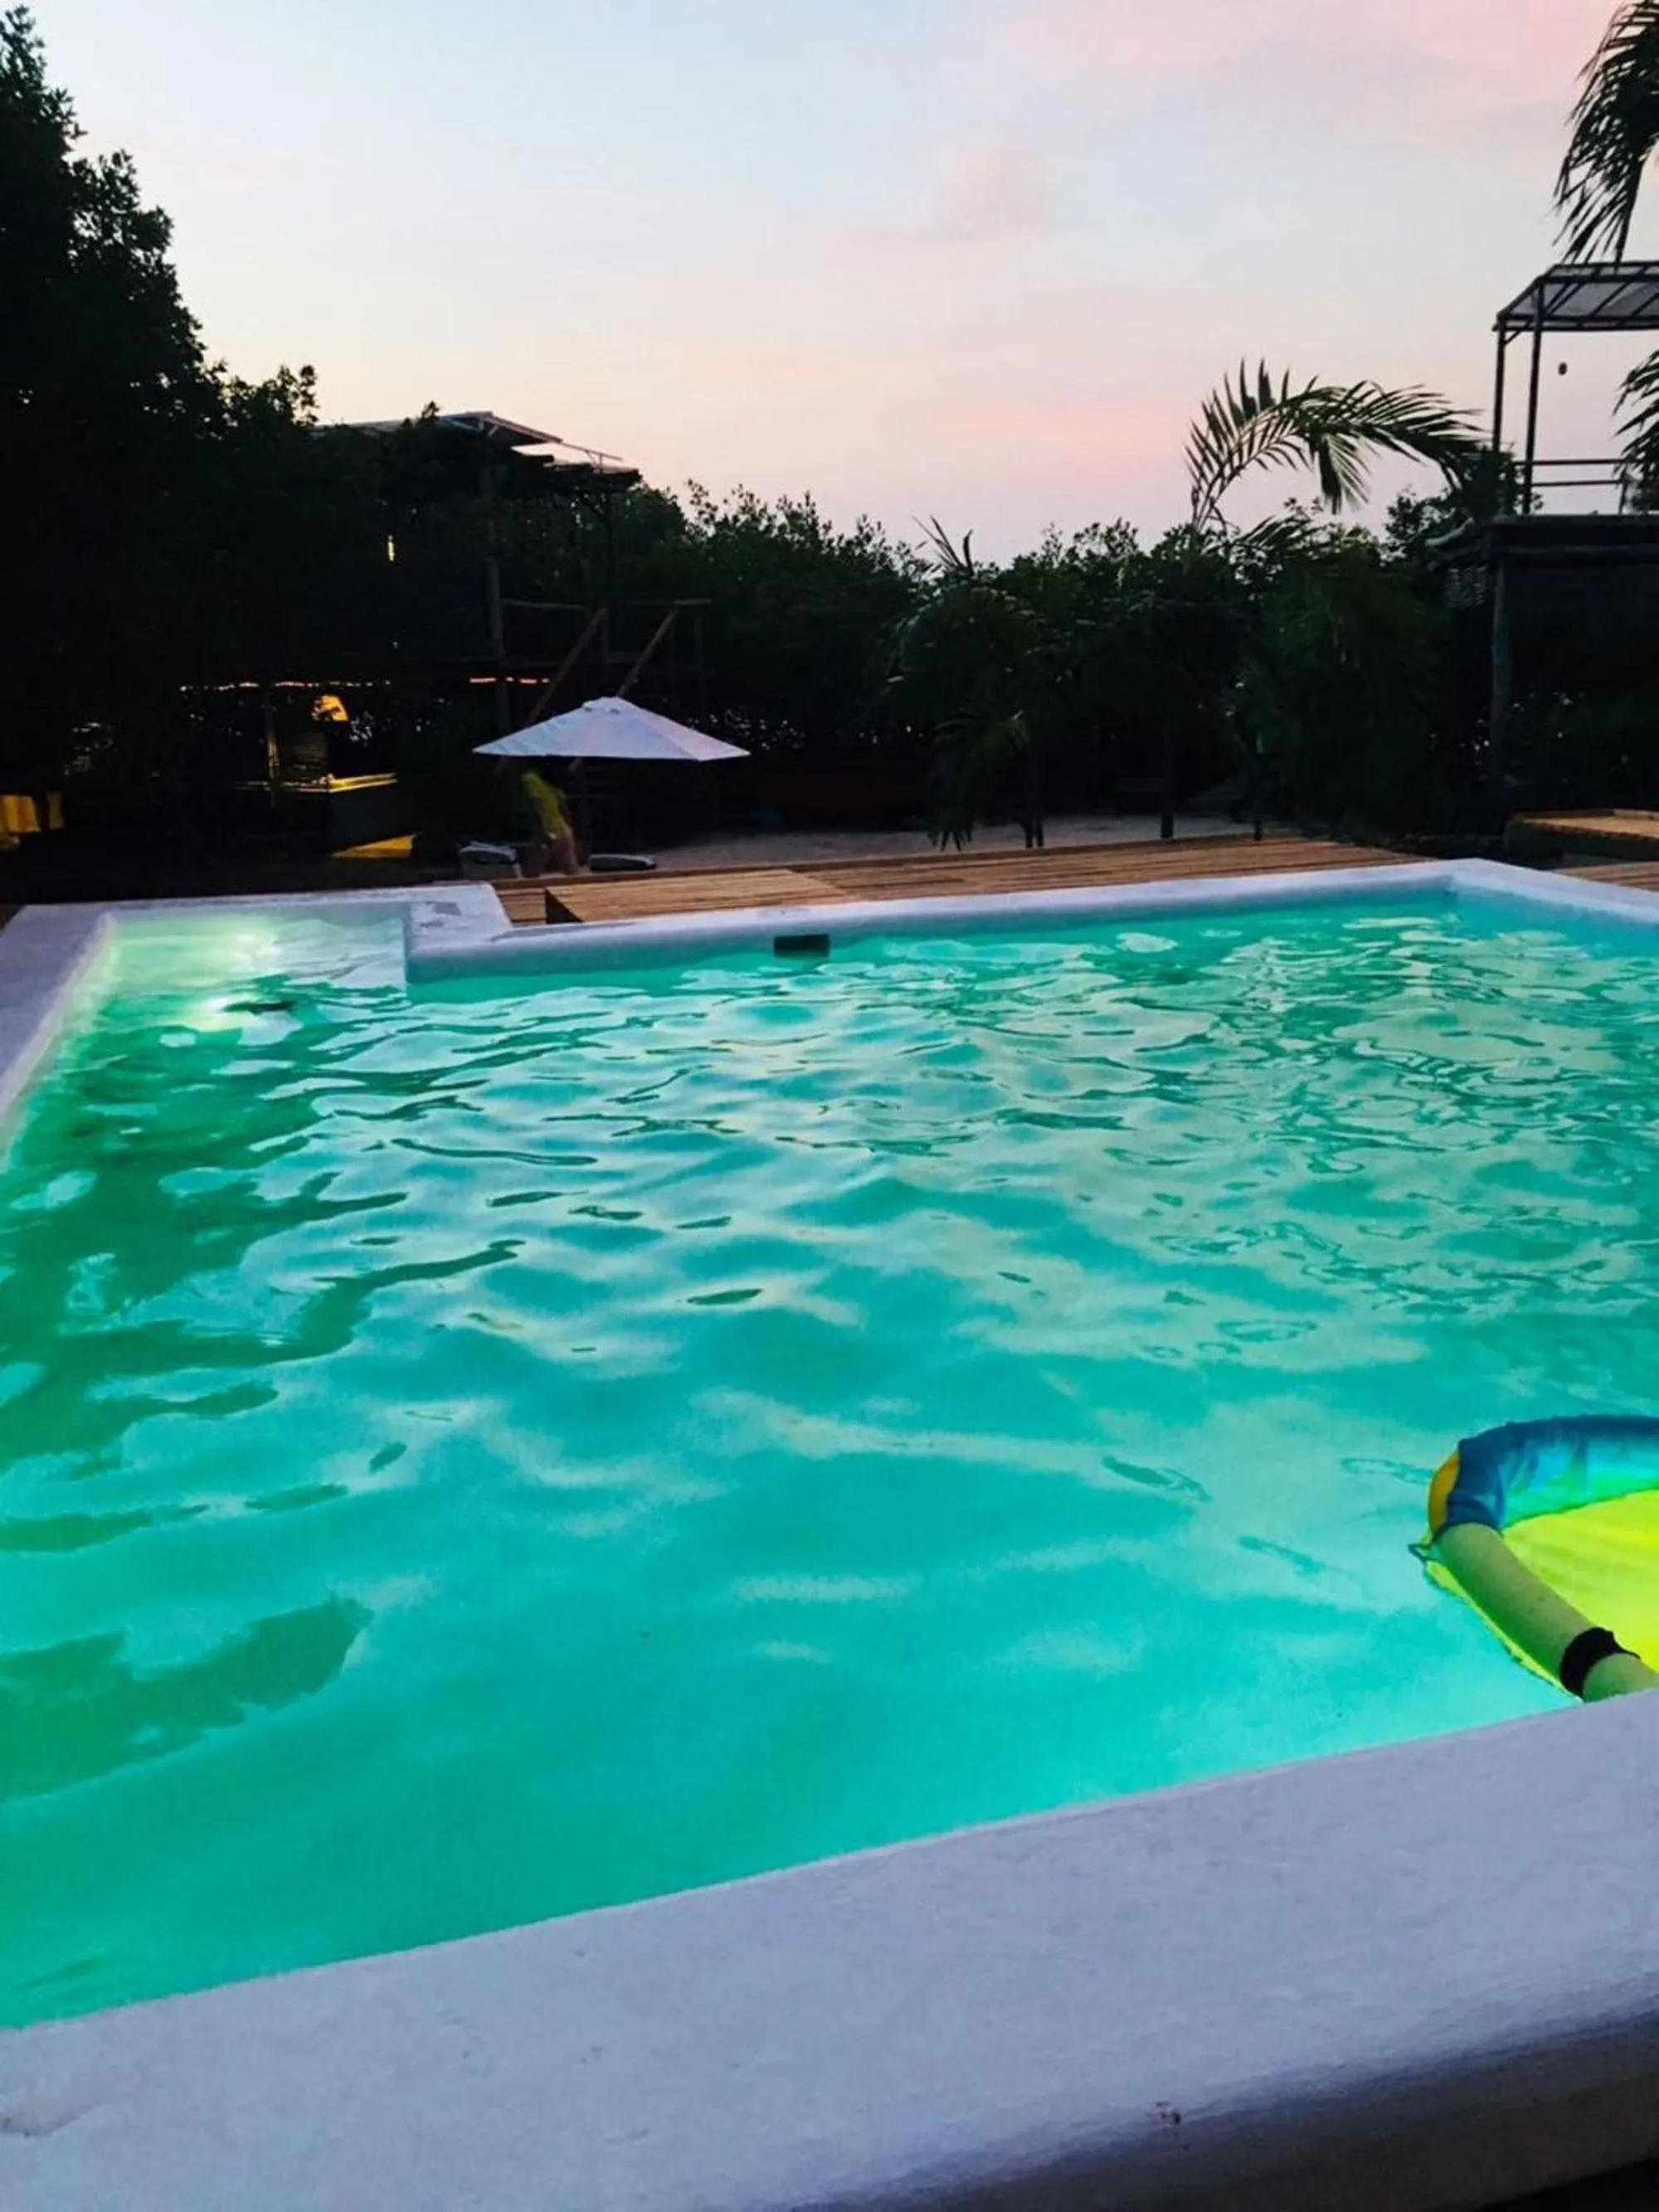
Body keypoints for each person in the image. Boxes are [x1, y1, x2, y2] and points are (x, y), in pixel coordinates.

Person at [519, 763, 581, 876]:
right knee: (570, 866)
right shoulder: (550, 782)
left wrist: (540, 830)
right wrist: (569, 826)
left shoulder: (530, 778)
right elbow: (565, 809)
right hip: (562, 827)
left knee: (532, 871)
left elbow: (536, 805)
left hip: (548, 828)